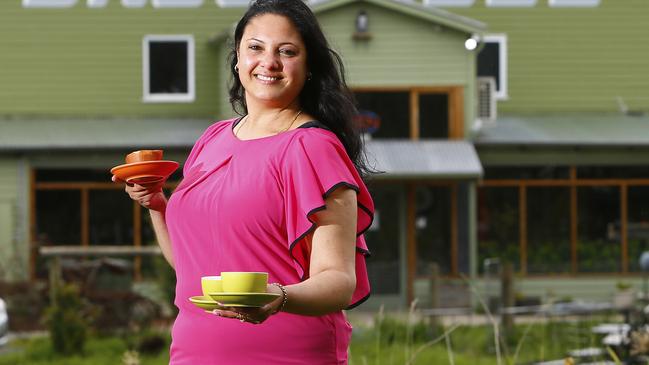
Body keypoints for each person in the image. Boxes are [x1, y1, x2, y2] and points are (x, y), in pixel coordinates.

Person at [114, 0, 374, 363]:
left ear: (309, 65)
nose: (269, 62)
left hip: (287, 353)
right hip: (194, 353)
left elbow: (338, 281)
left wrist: (279, 298)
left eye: (287, 51)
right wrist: (158, 205)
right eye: (256, 47)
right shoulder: (213, 138)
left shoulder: (313, 147)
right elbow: (193, 266)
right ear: (237, 57)